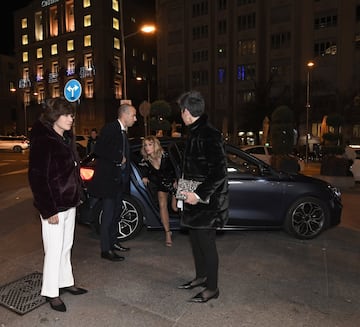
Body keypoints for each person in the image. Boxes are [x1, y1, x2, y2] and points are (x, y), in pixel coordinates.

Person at [28, 97, 87, 313]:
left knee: (66, 246)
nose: (72, 119)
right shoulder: (44, 140)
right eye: (67, 115)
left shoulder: (64, 138)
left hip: (69, 202)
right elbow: (37, 177)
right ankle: (51, 291)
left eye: (72, 115)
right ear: (55, 117)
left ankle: (65, 281)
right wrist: (48, 209)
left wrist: (76, 194)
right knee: (53, 251)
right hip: (54, 205)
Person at [176, 90, 229, 303]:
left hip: (206, 203)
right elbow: (194, 168)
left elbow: (219, 172)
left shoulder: (209, 134)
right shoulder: (195, 132)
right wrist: (181, 188)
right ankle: (201, 277)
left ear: (187, 112)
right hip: (193, 198)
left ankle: (212, 288)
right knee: (196, 242)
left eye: (181, 110)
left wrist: (197, 195)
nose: (181, 114)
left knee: (207, 245)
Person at [87, 104, 137, 262]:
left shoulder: (122, 132)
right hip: (108, 182)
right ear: (125, 114)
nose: (135, 119)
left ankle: (114, 242)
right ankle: (105, 249)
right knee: (108, 216)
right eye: (134, 116)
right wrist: (118, 157)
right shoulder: (111, 128)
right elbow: (99, 149)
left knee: (116, 214)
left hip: (118, 182)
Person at [138, 135, 177, 247]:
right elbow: (142, 170)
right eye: (145, 145)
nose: (147, 147)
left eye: (150, 144)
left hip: (174, 183)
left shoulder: (166, 156)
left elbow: (177, 167)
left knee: (175, 208)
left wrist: (176, 180)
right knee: (162, 205)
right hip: (161, 185)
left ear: (155, 145)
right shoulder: (146, 160)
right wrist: (144, 177)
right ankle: (167, 233)